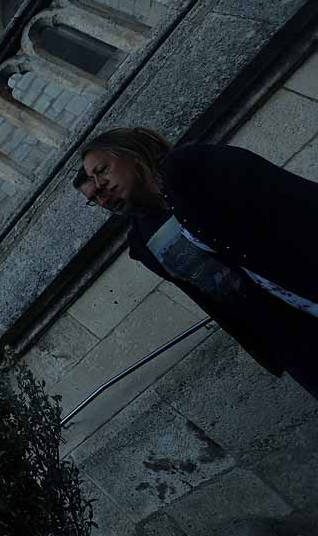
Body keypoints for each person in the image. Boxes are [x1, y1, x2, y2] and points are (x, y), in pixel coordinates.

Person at [74, 127, 318, 395]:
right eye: (93, 195)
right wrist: (264, 349)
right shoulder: (141, 243)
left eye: (102, 171)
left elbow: (287, 197)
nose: (101, 189)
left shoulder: (190, 167)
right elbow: (207, 296)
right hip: (288, 332)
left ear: (129, 154)